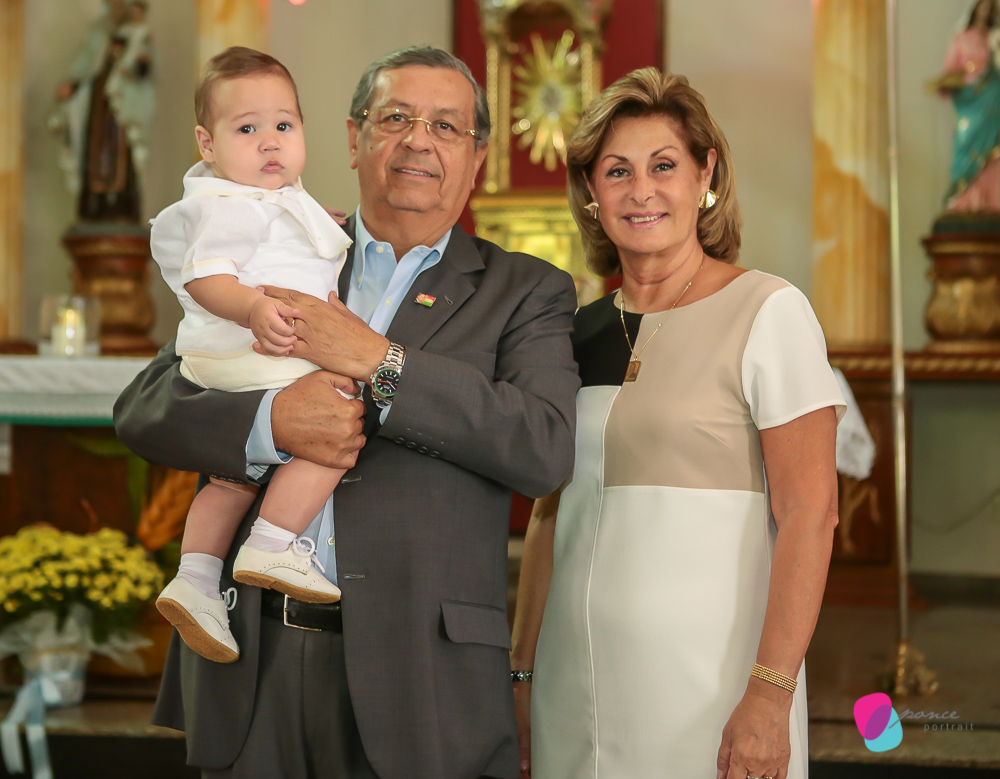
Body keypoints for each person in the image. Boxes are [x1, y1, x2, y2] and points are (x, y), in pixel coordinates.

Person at [114, 46, 579, 779]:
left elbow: (542, 448)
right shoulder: (285, 243)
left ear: (478, 157)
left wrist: (380, 362)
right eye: (395, 118)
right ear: (355, 138)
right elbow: (145, 407)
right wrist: (272, 422)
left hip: (421, 678)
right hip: (253, 656)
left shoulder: (525, 290)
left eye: (446, 126)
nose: (418, 140)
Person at [510, 68, 845, 779]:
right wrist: (521, 674)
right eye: (617, 171)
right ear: (592, 193)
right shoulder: (572, 333)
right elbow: (547, 517)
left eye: (663, 166)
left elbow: (811, 514)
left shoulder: (769, 311)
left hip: (711, 694)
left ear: (705, 174)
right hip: (572, 690)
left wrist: (770, 693)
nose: (641, 190)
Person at [149, 47, 352, 666]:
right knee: (339, 415)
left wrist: (315, 226)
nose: (270, 142)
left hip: (230, 357)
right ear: (207, 144)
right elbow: (205, 278)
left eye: (284, 125)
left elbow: (282, 237)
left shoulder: (270, 199)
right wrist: (252, 308)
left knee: (231, 474)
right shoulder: (230, 205)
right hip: (251, 346)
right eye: (247, 129)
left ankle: (195, 579)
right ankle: (274, 540)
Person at [49, 0, 155, 221]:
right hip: (98, 102)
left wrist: (140, 66)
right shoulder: (98, 33)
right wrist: (73, 85)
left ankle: (121, 205)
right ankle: (94, 205)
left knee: (122, 153)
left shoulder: (139, 34)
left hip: (121, 106)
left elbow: (145, 71)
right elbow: (85, 65)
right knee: (94, 149)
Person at [934, 0, 1000, 211]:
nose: (985, 11)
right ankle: (963, 197)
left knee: (993, 150)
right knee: (967, 144)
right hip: (971, 103)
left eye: (990, 7)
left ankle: (991, 199)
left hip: (993, 101)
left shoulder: (994, 38)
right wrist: (948, 83)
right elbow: (950, 72)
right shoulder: (962, 39)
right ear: (975, 8)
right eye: (983, 6)